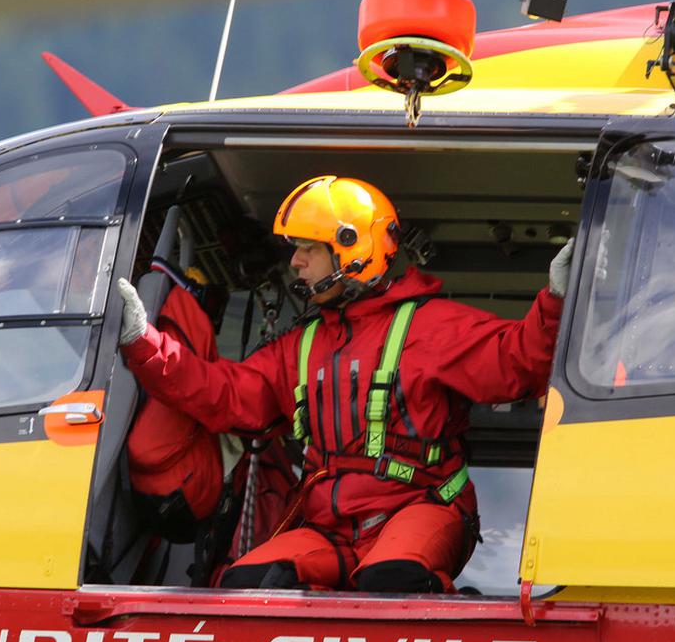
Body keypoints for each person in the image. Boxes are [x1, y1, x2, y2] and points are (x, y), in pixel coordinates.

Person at [116, 175, 571, 593]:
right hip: (329, 528)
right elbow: (224, 394)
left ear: (352, 250)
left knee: (393, 580)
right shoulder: (300, 345)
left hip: (421, 509)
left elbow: (521, 362)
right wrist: (143, 343)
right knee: (246, 584)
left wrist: (557, 298)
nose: (294, 262)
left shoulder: (431, 328)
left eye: (307, 249)